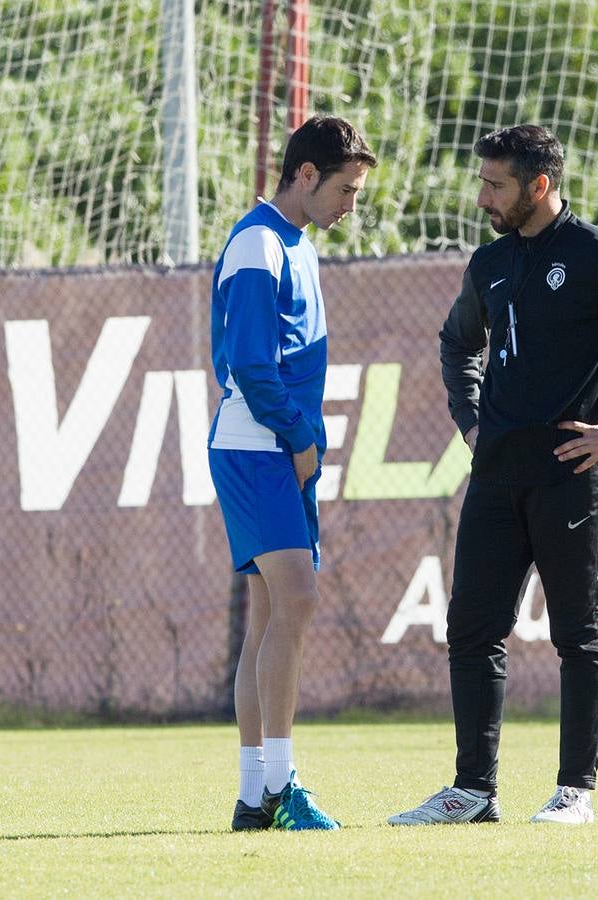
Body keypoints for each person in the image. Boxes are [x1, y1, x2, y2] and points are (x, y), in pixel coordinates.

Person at [389, 125, 598, 827]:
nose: (482, 198)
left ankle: (574, 793)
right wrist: (471, 423)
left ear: (539, 185)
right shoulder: (490, 262)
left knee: (577, 633)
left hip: (570, 477)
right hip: (495, 476)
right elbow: (457, 344)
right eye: (481, 183)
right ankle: (472, 792)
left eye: (495, 185)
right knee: (472, 630)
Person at [209, 116, 376, 831]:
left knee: (270, 617)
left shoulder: (293, 243)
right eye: (345, 190)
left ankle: (254, 795)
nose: (350, 205)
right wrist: (299, 435)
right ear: (305, 175)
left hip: (271, 449)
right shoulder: (258, 242)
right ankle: (281, 787)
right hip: (258, 448)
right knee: (298, 600)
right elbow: (250, 362)